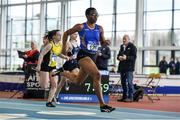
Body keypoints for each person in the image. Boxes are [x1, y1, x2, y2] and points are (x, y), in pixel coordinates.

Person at [53, 7, 115, 112]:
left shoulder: (99, 28)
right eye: (93, 14)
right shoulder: (81, 26)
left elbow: (102, 42)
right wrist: (63, 48)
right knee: (97, 75)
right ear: (87, 16)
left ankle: (62, 72)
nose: (95, 17)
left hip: (93, 57)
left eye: (96, 15)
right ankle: (102, 105)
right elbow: (66, 33)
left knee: (78, 81)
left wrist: (106, 43)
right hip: (83, 56)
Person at [36, 30, 69, 107]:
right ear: (54, 36)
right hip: (45, 66)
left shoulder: (60, 45)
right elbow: (41, 55)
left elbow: (58, 54)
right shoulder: (50, 45)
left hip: (53, 66)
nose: (60, 37)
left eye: (61, 35)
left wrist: (65, 57)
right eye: (58, 35)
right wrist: (38, 65)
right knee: (44, 86)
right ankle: (38, 74)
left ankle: (49, 102)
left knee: (54, 84)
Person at [54, 33, 80, 103]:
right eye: (74, 34)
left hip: (75, 63)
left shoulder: (77, 43)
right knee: (62, 82)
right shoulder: (68, 43)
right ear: (70, 35)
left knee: (77, 77)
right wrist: (67, 55)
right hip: (69, 63)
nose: (76, 35)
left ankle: (68, 81)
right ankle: (56, 95)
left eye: (77, 34)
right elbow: (62, 53)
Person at [117, 34, 137, 102]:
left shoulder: (132, 47)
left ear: (128, 39)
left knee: (129, 82)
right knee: (123, 83)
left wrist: (126, 57)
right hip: (122, 68)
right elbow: (118, 55)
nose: (124, 40)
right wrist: (119, 57)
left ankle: (131, 97)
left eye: (125, 39)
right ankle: (124, 97)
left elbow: (134, 57)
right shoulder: (122, 47)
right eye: (123, 39)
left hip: (129, 68)